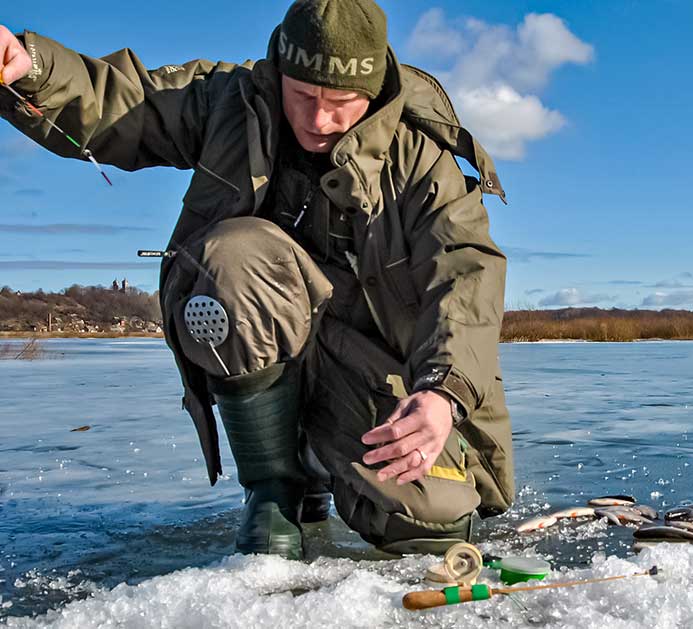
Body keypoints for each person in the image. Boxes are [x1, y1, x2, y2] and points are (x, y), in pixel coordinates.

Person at [0, 0, 514, 559]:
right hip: (253, 318)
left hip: (365, 362)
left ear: (372, 91)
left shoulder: (421, 156)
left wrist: (443, 391)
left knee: (428, 521)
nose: (319, 121)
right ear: (278, 72)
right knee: (232, 256)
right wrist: (30, 67)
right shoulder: (229, 98)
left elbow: (466, 272)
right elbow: (122, 100)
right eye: (304, 97)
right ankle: (276, 488)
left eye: (340, 103)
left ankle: (318, 455)